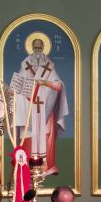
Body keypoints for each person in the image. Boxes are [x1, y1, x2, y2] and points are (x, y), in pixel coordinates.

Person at [13, 34, 68, 176]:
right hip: (29, 109)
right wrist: (14, 93)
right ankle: (26, 166)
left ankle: (47, 166)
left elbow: (59, 86)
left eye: (40, 48)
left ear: (43, 48)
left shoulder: (49, 66)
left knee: (45, 134)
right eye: (35, 48)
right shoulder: (26, 65)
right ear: (32, 48)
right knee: (29, 135)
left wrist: (46, 83)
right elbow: (17, 87)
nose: (37, 51)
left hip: (46, 108)